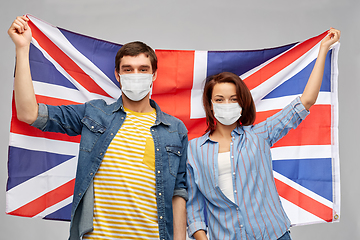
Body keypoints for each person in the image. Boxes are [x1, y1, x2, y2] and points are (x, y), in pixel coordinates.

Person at [8, 16, 188, 240]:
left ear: (154, 75)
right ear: (118, 75)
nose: (136, 75)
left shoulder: (175, 129)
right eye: (128, 69)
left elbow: (178, 193)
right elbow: (29, 113)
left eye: (143, 69)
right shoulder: (94, 113)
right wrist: (22, 48)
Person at [186, 28, 340, 240]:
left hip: (273, 234)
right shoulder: (193, 150)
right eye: (219, 99)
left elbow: (305, 102)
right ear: (210, 105)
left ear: (242, 103)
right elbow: (193, 207)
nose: (226, 104)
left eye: (233, 99)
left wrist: (322, 50)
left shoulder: (259, 135)